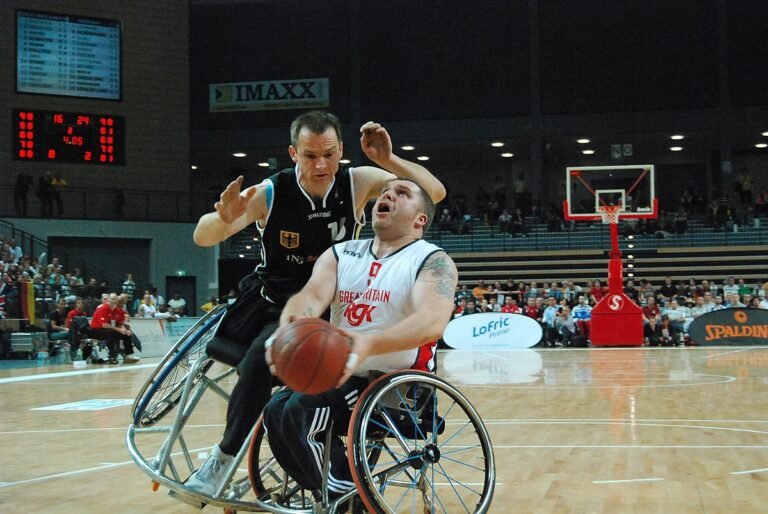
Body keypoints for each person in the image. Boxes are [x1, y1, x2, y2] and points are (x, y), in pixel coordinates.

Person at [185, 111, 445, 495]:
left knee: (291, 382)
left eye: (329, 154)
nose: (321, 165)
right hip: (276, 300)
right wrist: (222, 220)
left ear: (341, 150)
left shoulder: (358, 182)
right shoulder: (271, 192)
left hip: (331, 302)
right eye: (310, 155)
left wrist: (388, 160)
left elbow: (431, 194)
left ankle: (339, 475)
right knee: (261, 357)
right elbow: (202, 237)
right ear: (294, 153)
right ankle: (224, 457)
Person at [261, 177, 456, 502]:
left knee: (300, 409)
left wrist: (368, 344)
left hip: (397, 384)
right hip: (340, 370)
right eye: (385, 191)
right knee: (274, 410)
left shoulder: (432, 260)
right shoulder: (341, 253)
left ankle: (346, 495)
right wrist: (289, 330)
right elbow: (311, 297)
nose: (388, 194)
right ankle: (335, 490)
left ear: (420, 218)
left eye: (402, 193)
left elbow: (432, 322)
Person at [89, 293, 140, 364]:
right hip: (96, 331)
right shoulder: (103, 308)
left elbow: (119, 324)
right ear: (109, 300)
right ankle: (112, 355)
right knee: (112, 332)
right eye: (112, 299)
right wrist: (119, 330)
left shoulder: (118, 311)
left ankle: (129, 355)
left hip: (109, 330)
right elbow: (104, 325)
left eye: (115, 299)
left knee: (125, 334)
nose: (113, 301)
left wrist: (125, 330)